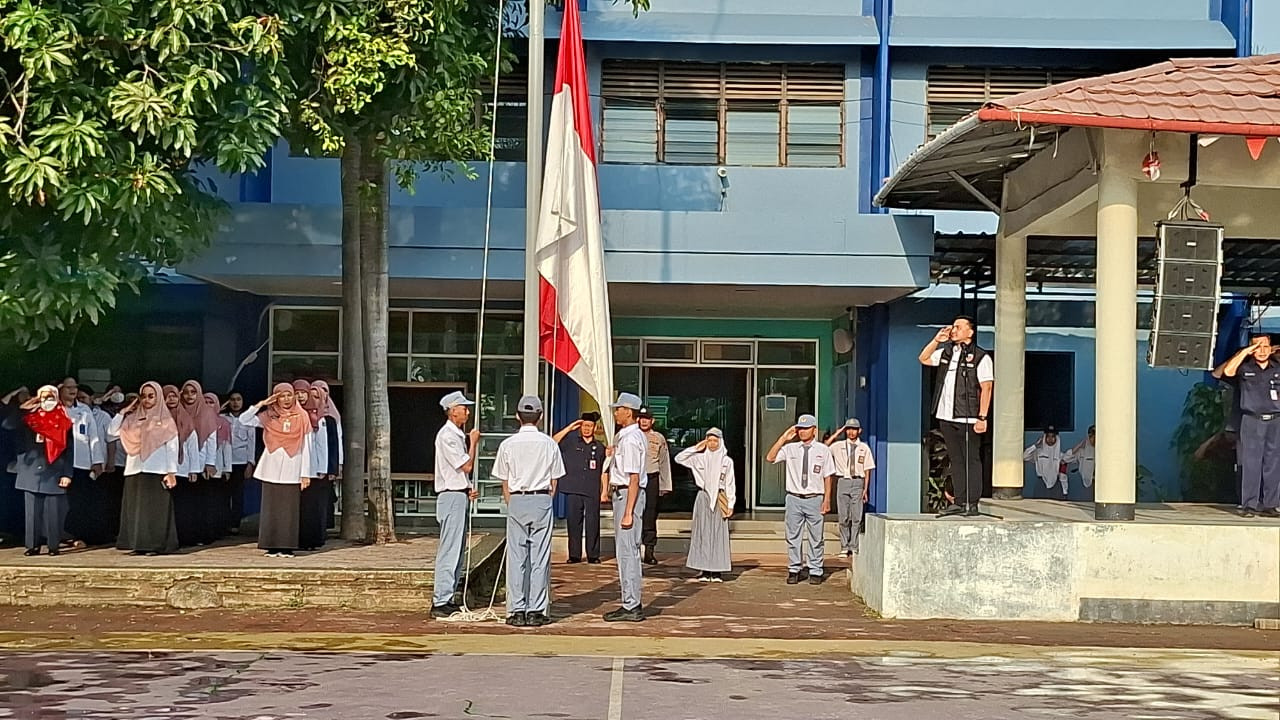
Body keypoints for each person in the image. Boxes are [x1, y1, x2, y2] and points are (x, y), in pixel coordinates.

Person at [492, 395, 565, 628]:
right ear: (540, 417)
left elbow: (504, 481)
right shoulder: (549, 444)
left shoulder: (507, 444)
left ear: (517, 416)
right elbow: (555, 480)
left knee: (517, 558)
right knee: (540, 557)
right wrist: (545, 498)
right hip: (541, 498)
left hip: (517, 499)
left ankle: (516, 610)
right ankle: (536, 610)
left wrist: (512, 500)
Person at [918, 317, 994, 516]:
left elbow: (987, 387)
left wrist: (982, 417)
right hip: (946, 416)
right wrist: (937, 340)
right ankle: (959, 501)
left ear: (970, 332)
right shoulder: (947, 352)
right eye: (953, 327)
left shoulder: (980, 357)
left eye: (959, 327)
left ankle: (972, 502)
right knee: (956, 460)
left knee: (971, 460)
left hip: (968, 417)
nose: (954, 330)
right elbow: (924, 359)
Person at [239, 384, 314, 557]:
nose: (286, 399)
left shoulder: (302, 416)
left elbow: (307, 446)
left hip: (293, 466)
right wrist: (262, 404)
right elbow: (243, 420)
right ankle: (271, 545)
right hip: (271, 467)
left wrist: (305, 473)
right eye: (281, 395)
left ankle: (287, 546)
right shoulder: (269, 416)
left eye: (289, 395)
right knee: (271, 508)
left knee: (288, 510)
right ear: (276, 398)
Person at [108, 381, 180, 555]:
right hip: (135, 468)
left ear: (158, 397)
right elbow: (110, 434)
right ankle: (136, 544)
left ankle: (155, 545)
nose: (147, 400)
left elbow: (172, 447)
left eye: (151, 396)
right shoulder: (132, 419)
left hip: (157, 470)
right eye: (144, 396)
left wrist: (171, 472)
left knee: (155, 511)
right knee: (136, 510)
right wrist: (122, 413)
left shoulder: (165, 420)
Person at [3, 386, 73, 556]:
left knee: (53, 513)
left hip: (54, 471)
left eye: (50, 397)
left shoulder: (64, 421)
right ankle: (32, 545)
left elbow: (70, 451)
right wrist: (23, 409)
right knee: (32, 512)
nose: (46, 401)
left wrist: (67, 474)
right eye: (43, 397)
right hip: (31, 471)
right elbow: (7, 425)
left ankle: (53, 545)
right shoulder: (29, 419)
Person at [766, 414, 835, 585]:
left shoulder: (823, 450)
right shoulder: (791, 449)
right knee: (793, 536)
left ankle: (815, 569)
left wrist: (827, 499)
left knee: (816, 537)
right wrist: (783, 438)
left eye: (806, 428)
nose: (802, 432)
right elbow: (770, 457)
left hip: (814, 498)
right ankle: (794, 569)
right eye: (800, 429)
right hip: (794, 498)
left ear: (814, 430)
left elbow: (828, 476)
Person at [431, 390, 480, 619]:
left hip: (458, 493)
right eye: (463, 408)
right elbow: (466, 466)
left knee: (458, 549)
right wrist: (474, 443)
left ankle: (448, 596)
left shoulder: (455, 434)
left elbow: (461, 474)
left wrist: (467, 487)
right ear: (452, 411)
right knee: (449, 548)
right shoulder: (448, 436)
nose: (467, 412)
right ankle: (440, 598)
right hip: (450, 496)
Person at [1222, 334, 1280, 518]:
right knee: (1250, 463)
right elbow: (1228, 372)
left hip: (1275, 419)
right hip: (1252, 419)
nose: (1261, 351)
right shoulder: (1245, 368)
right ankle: (1249, 504)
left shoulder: (1277, 369)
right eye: (1257, 347)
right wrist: (1245, 352)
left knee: (1273, 463)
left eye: (1265, 347)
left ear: (1271, 349)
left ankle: (1270, 504)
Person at [604, 392, 648, 622]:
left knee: (627, 552)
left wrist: (629, 511)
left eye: (619, 409)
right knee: (625, 551)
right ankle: (629, 601)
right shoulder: (626, 436)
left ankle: (631, 603)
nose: (615, 412)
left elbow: (633, 478)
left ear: (628, 412)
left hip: (627, 496)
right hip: (622, 494)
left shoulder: (631, 439)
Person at [675, 428, 735, 582]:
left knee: (718, 534)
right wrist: (696, 448)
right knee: (702, 532)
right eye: (709, 440)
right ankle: (704, 569)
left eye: (715, 440)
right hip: (703, 496)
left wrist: (731, 503)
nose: (712, 444)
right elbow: (679, 458)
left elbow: (730, 483)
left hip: (720, 498)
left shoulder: (727, 461)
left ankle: (716, 571)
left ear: (720, 442)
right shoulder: (699, 459)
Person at [58, 377, 106, 547]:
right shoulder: (55, 409)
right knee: (60, 500)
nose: (73, 390)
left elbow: (93, 437)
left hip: (82, 462)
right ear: (60, 389)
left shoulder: (84, 409)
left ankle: (77, 535)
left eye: (75, 387)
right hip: (59, 462)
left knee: (79, 501)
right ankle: (57, 534)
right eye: (68, 387)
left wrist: (97, 460)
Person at [553, 412, 605, 564]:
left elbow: (604, 470)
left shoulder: (600, 447)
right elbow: (552, 442)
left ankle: (593, 555)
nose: (587, 429)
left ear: (594, 428)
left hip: (592, 489)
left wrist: (604, 491)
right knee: (574, 523)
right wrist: (569, 428)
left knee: (593, 522)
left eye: (589, 426)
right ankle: (574, 555)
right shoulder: (570, 443)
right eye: (584, 426)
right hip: (573, 488)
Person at [177, 380, 221, 546]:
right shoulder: (178, 411)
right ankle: (183, 535)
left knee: (199, 503)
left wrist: (210, 463)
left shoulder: (207, 412)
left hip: (201, 464)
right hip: (181, 465)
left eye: (193, 392)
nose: (189, 396)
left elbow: (211, 439)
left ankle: (199, 536)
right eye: (186, 392)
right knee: (184, 503)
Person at [825, 418, 874, 559]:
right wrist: (836, 433)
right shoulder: (838, 446)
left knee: (856, 516)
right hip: (843, 481)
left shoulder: (864, 448)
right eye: (848, 429)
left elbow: (867, 469)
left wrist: (865, 489)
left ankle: (854, 545)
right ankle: (844, 546)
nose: (851, 432)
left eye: (854, 429)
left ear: (859, 431)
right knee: (843, 516)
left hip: (858, 482)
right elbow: (824, 447)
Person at [296, 379, 335, 551]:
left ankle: (314, 539)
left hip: (317, 470)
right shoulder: (297, 416)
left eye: (316, 396)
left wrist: (326, 469)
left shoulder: (325, 420)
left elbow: (327, 446)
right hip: (296, 469)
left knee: (314, 507)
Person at [637, 406, 672, 566]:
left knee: (650, 515)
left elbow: (664, 463)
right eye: (641, 418)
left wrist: (665, 484)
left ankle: (649, 551)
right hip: (634, 479)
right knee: (633, 514)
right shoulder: (629, 435)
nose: (644, 421)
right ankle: (633, 551)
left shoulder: (659, 438)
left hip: (652, 478)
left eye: (647, 418)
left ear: (652, 421)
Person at [222, 392, 257, 533]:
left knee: (237, 495)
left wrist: (250, 463)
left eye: (238, 399)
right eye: (232, 400)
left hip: (240, 461)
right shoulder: (222, 418)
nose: (235, 402)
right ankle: (223, 522)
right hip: (225, 462)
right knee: (224, 494)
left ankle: (235, 524)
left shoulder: (248, 419)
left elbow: (251, 442)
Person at [311, 380, 343, 532]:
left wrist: (336, 465)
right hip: (309, 467)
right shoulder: (306, 416)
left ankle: (321, 530)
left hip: (326, 467)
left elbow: (337, 442)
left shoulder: (331, 417)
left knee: (323, 500)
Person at [205, 392, 234, 539]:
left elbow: (226, 447)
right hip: (200, 469)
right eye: (205, 402)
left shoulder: (223, 422)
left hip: (217, 468)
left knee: (216, 501)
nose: (208, 405)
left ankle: (216, 531)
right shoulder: (196, 420)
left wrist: (227, 468)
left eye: (211, 402)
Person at [1024, 426, 1067, 499]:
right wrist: (1035, 446)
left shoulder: (1061, 455)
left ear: (1056, 438)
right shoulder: (1038, 453)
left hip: (1056, 485)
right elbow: (1024, 456)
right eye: (1048, 436)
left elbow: (1063, 474)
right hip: (1041, 484)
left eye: (1053, 436)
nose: (1050, 439)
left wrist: (1065, 491)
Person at [1063, 426, 1096, 497]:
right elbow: (1066, 459)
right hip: (1086, 484)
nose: (1094, 439)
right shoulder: (1083, 451)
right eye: (1092, 436)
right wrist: (1079, 445)